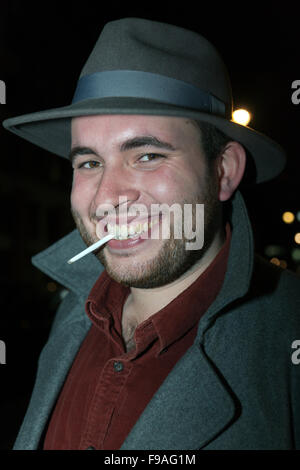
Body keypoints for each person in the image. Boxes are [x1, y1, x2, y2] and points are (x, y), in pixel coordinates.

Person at [3, 17, 300, 450]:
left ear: (223, 171)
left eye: (146, 155)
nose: (107, 196)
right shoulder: (72, 313)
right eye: (89, 163)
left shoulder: (285, 338)